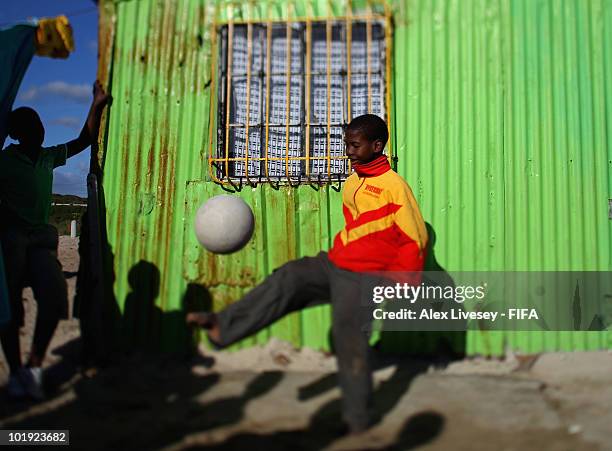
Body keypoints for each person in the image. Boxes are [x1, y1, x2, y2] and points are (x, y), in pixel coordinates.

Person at [186, 114, 428, 434]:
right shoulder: (353, 181)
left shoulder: (394, 187)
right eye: (347, 145)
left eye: (355, 146)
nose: (349, 152)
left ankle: (359, 419)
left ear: (377, 146)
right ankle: (223, 326)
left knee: (349, 339)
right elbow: (358, 229)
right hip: (337, 262)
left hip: (365, 277)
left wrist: (403, 283)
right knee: (290, 276)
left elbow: (416, 238)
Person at [0, 80, 110, 400]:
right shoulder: (5, 162)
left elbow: (84, 140)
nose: (40, 129)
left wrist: (96, 103)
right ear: (19, 133)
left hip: (39, 239)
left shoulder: (48, 157)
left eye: (40, 124)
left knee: (54, 295)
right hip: (10, 239)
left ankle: (33, 366)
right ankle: (17, 369)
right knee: (8, 307)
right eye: (32, 126)